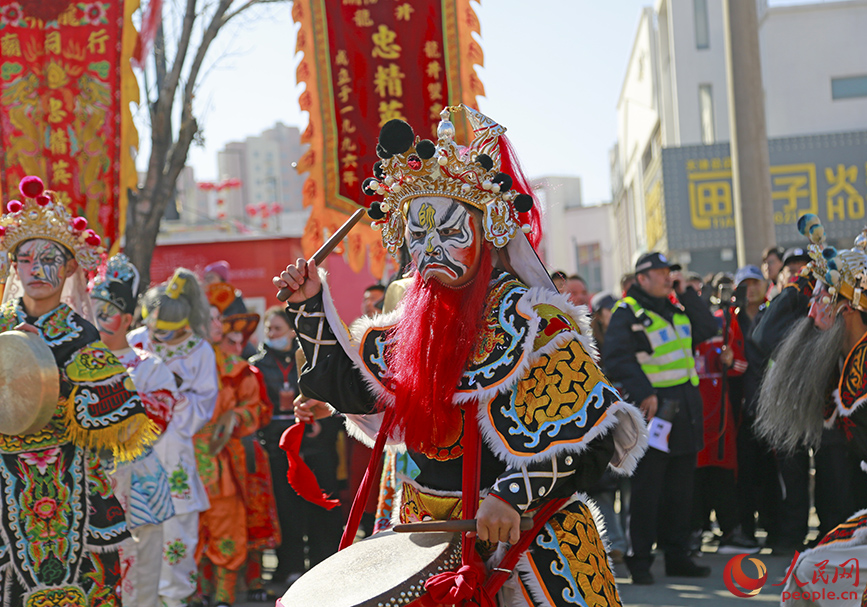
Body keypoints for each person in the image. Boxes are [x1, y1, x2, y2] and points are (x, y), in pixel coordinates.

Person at [276, 106, 647, 606]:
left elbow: (590, 442)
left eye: (450, 234)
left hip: (530, 545)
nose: (432, 251)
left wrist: (512, 494)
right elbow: (350, 389)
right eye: (419, 236)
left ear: (489, 235)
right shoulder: (406, 329)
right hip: (427, 538)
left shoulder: (535, 323)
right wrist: (308, 305)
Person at [0, 176, 158, 602]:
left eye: (49, 259)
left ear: (71, 268)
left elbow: (122, 416)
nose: (36, 269)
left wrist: (51, 379)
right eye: (26, 258)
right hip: (4, 481)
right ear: (13, 267)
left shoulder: (81, 336)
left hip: (73, 481)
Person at [754, 214, 867, 606]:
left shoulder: (861, 364)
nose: (815, 308)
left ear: (849, 308)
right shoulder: (851, 362)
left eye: (825, 299)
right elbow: (764, 335)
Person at [603, 251, 718, 584]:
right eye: (662, 272)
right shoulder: (627, 312)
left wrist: (685, 293)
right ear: (642, 278)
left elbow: (708, 327)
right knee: (647, 489)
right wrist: (644, 392)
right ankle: (641, 561)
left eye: (670, 272)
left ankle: (677, 555)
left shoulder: (675, 306)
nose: (669, 277)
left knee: (681, 488)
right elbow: (616, 357)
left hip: (685, 408)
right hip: (653, 410)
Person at [91, 253, 181, 607]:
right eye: (91, 311)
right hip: (90, 482)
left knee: (141, 574)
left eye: (105, 312)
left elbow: (154, 424)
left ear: (127, 318)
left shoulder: (151, 367)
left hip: (138, 480)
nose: (96, 320)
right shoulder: (75, 364)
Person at [130, 268, 219, 607]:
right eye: (151, 327)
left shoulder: (199, 351)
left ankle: (174, 596)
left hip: (175, 449)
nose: (155, 335)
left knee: (178, 529)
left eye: (164, 332)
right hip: (133, 447)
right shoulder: (135, 340)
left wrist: (170, 402)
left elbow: (204, 403)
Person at [251, 307, 343, 591]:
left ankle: (325, 563)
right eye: (269, 330)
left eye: (277, 329)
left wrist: (320, 425)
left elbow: (337, 401)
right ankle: (289, 567)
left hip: (318, 447)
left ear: (293, 331)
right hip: (280, 449)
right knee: (287, 512)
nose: (272, 335)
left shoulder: (313, 359)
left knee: (322, 509)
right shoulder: (258, 364)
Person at [193, 286, 268, 607]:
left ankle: (223, 597)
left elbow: (257, 410)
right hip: (180, 464)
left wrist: (232, 418)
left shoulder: (237, 371)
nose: (216, 324)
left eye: (216, 318)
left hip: (220, 461)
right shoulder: (174, 365)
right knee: (188, 531)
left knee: (226, 525)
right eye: (208, 318)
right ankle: (193, 593)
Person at [691, 265, 762, 556]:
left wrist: (730, 362)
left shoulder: (726, 321)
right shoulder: (684, 322)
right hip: (693, 413)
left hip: (722, 415)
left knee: (722, 472)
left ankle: (730, 530)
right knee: (693, 475)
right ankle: (692, 531)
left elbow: (742, 365)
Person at [218, 301, 281, 603]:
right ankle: (211, 587)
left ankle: (254, 579)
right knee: (214, 518)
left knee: (253, 514)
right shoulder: (203, 370)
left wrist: (236, 417)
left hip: (246, 452)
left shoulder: (250, 372)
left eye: (239, 341)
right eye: (230, 340)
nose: (236, 346)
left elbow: (263, 412)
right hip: (212, 454)